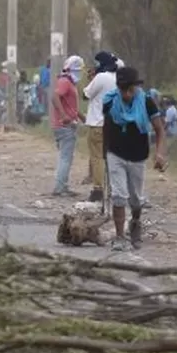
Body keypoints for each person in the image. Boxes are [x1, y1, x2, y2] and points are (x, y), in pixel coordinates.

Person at [102, 67, 166, 251]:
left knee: (136, 200)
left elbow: (160, 129)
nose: (126, 94)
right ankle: (120, 236)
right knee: (119, 196)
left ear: (135, 88)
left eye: (129, 90)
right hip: (115, 154)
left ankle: (135, 222)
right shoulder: (110, 102)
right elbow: (105, 127)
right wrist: (103, 153)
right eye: (122, 90)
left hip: (138, 156)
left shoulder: (146, 102)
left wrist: (160, 154)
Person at [82, 51, 119, 202]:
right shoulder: (116, 78)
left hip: (97, 123)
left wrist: (90, 79)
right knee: (110, 157)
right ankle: (113, 188)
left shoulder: (101, 77)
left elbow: (86, 95)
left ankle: (98, 190)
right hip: (112, 124)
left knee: (97, 158)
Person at [51, 55, 86, 197]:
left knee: (66, 156)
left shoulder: (69, 82)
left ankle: (62, 185)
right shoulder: (65, 82)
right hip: (64, 125)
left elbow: (72, 106)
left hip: (67, 124)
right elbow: (55, 97)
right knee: (66, 157)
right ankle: (60, 187)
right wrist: (64, 115)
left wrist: (82, 117)